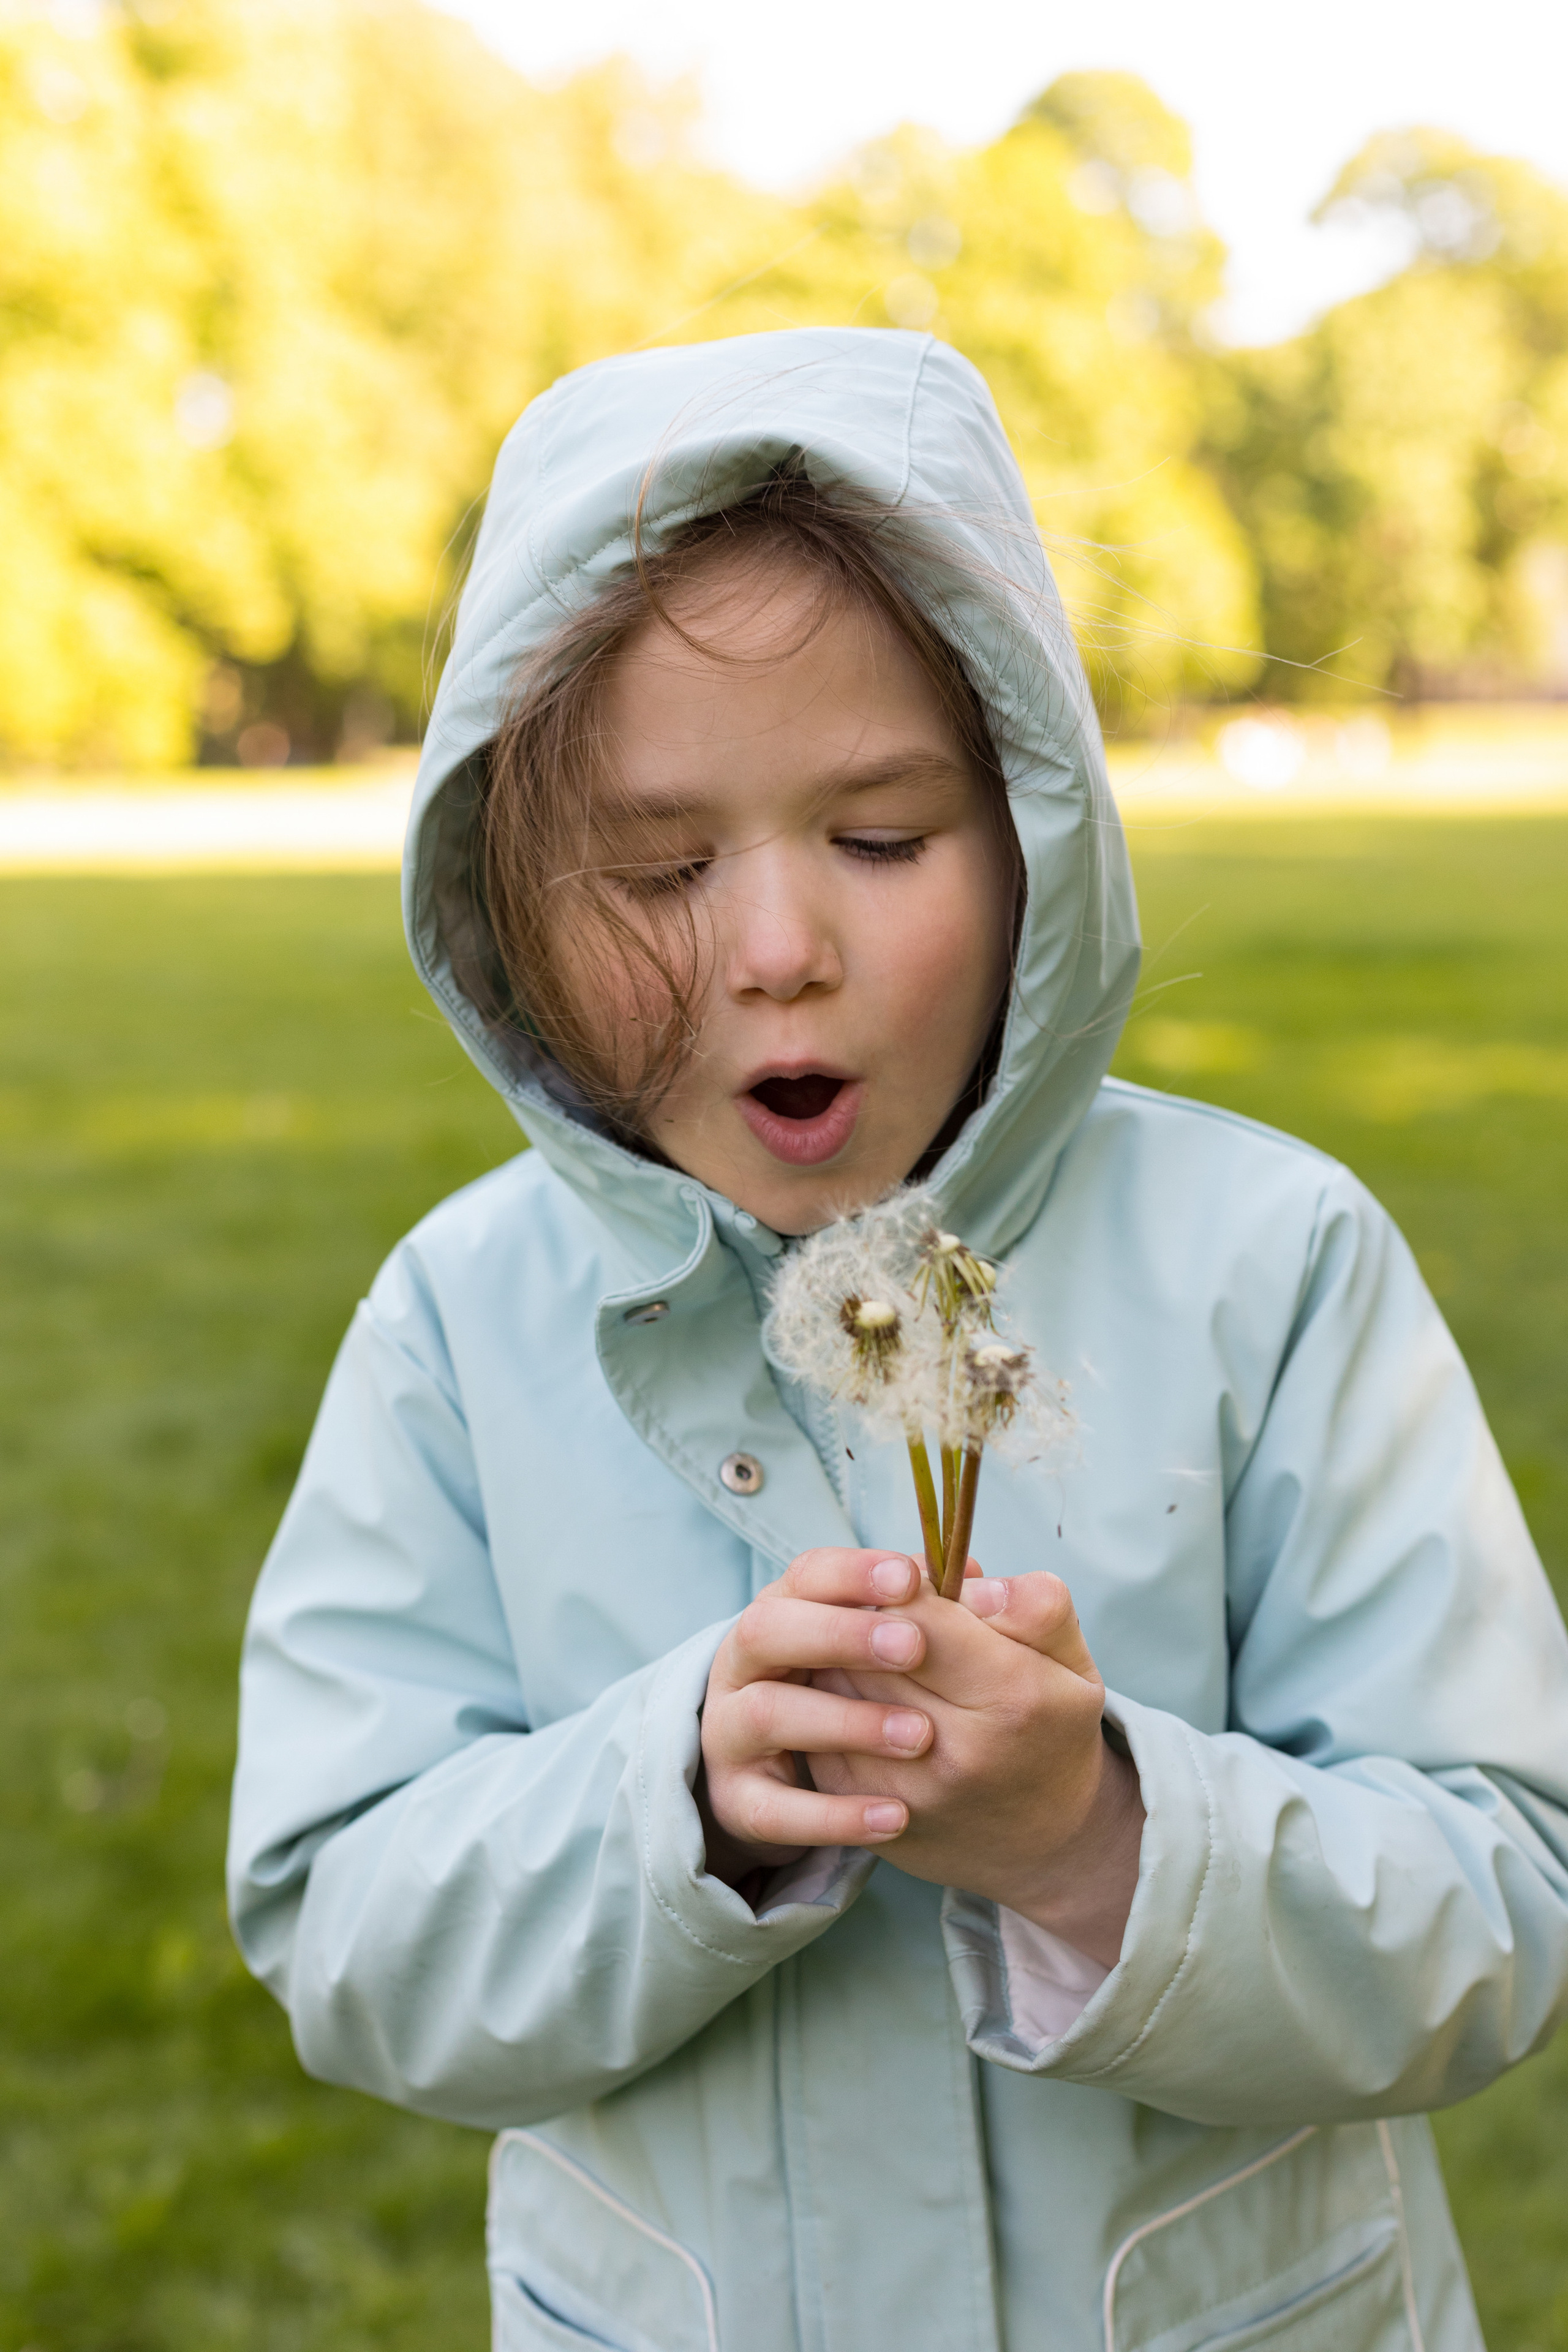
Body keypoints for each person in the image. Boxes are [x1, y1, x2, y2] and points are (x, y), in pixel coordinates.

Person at [227, 328, 1568, 2352]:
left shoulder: (1267, 1260)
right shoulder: (460, 1325)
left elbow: (1505, 1893)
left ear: (1036, 834)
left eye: (879, 840)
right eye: (662, 868)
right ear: (509, 891)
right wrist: (674, 1791)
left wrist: (1096, 1834)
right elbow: (343, 1923)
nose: (778, 948)